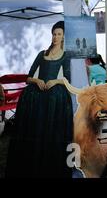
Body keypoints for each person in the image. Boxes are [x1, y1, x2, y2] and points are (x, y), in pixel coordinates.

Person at [6, 21, 73, 178]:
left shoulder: (65, 55)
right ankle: (30, 161)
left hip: (53, 94)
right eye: (54, 34)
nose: (55, 37)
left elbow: (68, 80)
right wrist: (37, 81)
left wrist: (55, 81)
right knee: (34, 128)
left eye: (59, 34)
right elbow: (28, 77)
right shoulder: (42, 53)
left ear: (63, 37)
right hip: (36, 95)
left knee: (49, 128)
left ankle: (47, 162)